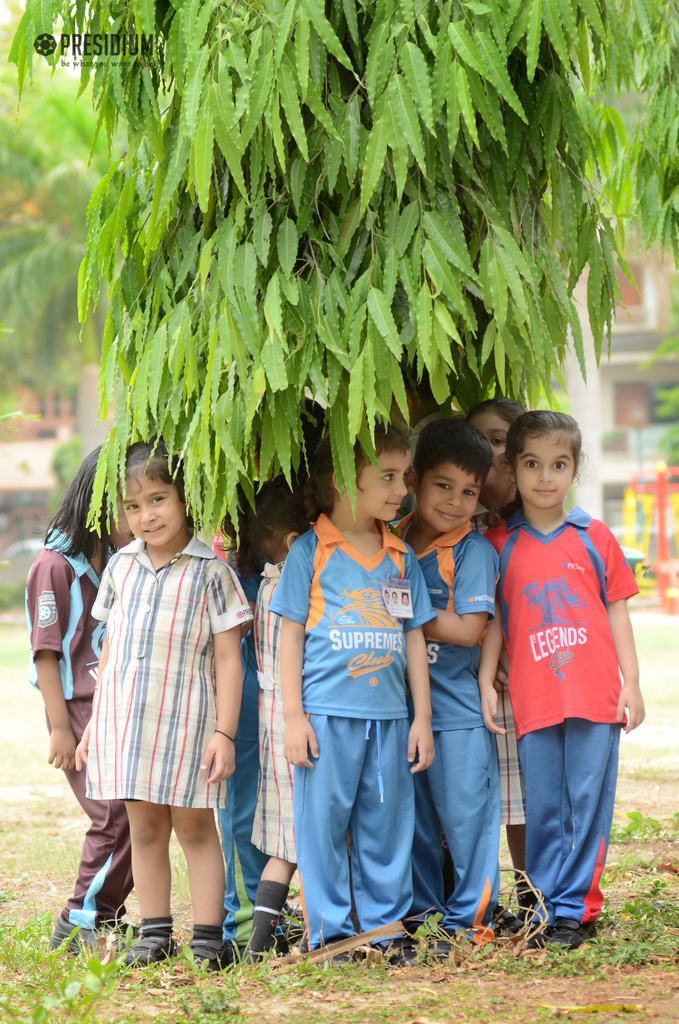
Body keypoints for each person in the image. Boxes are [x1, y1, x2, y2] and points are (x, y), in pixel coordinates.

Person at [76, 440, 252, 969]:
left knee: (196, 829)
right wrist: (93, 726)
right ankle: (155, 934)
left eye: (158, 499)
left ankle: (206, 937)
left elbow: (228, 660)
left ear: (184, 499)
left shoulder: (210, 572)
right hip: (127, 723)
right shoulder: (120, 568)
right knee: (144, 828)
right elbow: (109, 653)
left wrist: (224, 732)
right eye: (133, 507)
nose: (146, 515)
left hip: (188, 726)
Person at [271, 425, 436, 964]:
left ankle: (386, 931)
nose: (400, 490)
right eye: (387, 477)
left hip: (389, 717)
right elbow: (289, 634)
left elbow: (413, 636)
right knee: (321, 829)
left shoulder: (399, 555)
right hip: (324, 718)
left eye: (402, 477)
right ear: (345, 479)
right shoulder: (311, 550)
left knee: (387, 827)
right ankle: (332, 935)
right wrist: (293, 717)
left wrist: (422, 719)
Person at [480, 411, 645, 950]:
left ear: (574, 468)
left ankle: (576, 909)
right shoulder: (500, 545)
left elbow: (618, 612)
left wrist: (633, 684)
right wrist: (488, 676)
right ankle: (547, 905)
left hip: (596, 697)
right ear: (513, 468)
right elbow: (497, 621)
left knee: (586, 802)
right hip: (535, 699)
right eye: (532, 464)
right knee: (545, 806)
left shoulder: (596, 538)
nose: (545, 477)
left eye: (558, 464)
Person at [25, 447, 134, 954]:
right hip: (78, 708)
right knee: (111, 815)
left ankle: (102, 916)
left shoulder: (116, 559)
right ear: (96, 503)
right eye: (125, 506)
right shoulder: (54, 565)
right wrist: (60, 729)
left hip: (115, 702)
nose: (134, 519)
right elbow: (46, 654)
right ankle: (78, 920)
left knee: (134, 813)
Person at [397, 419, 501, 943]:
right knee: (411, 825)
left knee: (466, 821)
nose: (456, 502)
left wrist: (396, 610)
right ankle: (426, 917)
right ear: (413, 480)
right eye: (444, 485)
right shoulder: (387, 542)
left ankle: (472, 919)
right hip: (397, 715)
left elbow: (468, 630)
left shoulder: (473, 552)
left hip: (456, 715)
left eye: (469, 492)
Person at [223, 478, 310, 957]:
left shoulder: (270, 582)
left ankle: (261, 929)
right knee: (259, 819)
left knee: (278, 830)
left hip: (273, 713)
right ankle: (244, 928)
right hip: (269, 716)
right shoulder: (276, 584)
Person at [466, 397, 529, 922]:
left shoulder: (529, 527)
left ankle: (535, 895)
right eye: (481, 439)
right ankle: (476, 898)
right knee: (477, 795)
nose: (491, 452)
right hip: (461, 680)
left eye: (499, 438)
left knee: (526, 796)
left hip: (525, 675)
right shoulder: (451, 524)